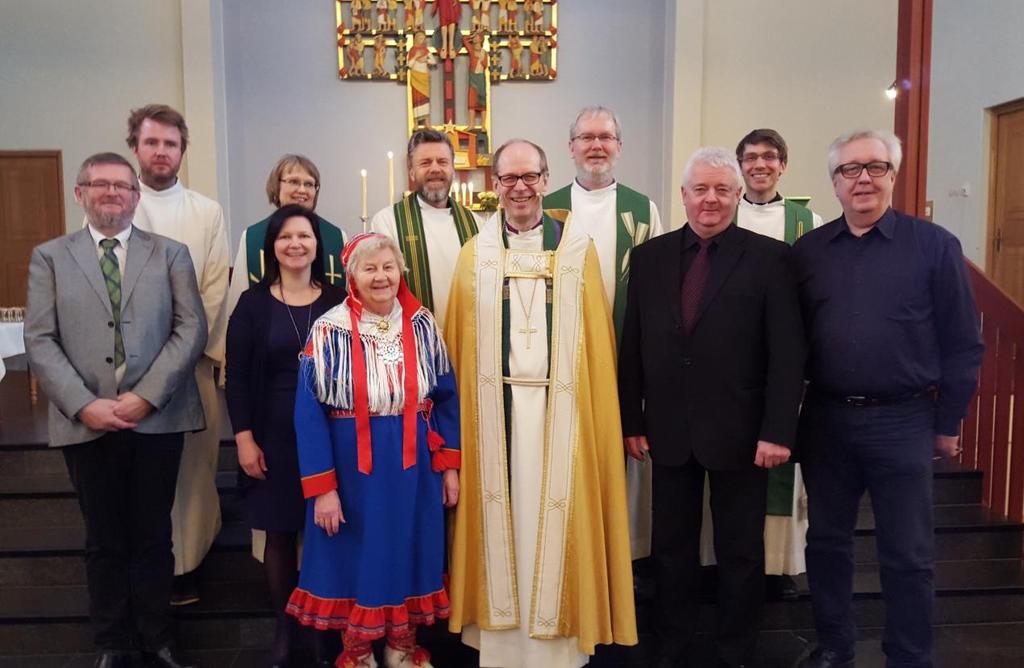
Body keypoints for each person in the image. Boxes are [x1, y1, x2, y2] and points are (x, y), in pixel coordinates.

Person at [792, 129, 983, 668]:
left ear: (893, 176)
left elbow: (964, 342)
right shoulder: (809, 252)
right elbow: (790, 343)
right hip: (827, 420)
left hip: (904, 419)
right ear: (834, 183)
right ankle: (835, 646)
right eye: (850, 170)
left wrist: (948, 423)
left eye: (875, 167)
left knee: (909, 555)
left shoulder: (935, 246)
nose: (863, 179)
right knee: (826, 545)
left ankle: (909, 655)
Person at [446, 139, 637, 668]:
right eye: (508, 179)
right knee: (503, 523)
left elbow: (597, 350)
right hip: (495, 420)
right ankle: (502, 641)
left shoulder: (577, 252)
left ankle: (561, 640)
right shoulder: (475, 255)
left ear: (546, 178)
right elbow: (458, 353)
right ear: (496, 187)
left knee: (556, 521)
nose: (520, 188)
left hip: (565, 422)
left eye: (530, 176)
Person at [617, 147, 806, 667]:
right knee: (671, 550)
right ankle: (672, 643)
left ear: (738, 195)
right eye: (700, 189)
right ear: (683, 196)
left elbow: (787, 353)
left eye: (722, 189)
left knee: (740, 551)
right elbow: (632, 345)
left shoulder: (770, 258)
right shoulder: (651, 258)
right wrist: (631, 419)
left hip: (743, 432)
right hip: (667, 430)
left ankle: (736, 649)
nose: (710, 199)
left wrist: (777, 430)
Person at [25, 152, 207, 668]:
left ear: (136, 195)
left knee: (153, 534)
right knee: (103, 538)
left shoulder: (171, 254)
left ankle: (158, 635)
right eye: (99, 184)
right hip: (86, 422)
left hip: (158, 417)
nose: (112, 193)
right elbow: (40, 338)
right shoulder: (50, 258)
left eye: (122, 186)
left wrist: (146, 395)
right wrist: (84, 405)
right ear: (79, 193)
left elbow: (189, 328)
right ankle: (113, 642)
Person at [285, 233, 461, 668]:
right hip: (350, 469)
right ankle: (358, 653)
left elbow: (447, 400)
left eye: (387, 266)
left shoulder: (423, 325)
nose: (381, 276)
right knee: (355, 555)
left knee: (408, 547)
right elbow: (308, 415)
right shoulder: (329, 329)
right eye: (370, 268)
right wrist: (323, 488)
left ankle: (402, 646)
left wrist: (450, 467)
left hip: (415, 466)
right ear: (352, 277)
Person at [700, 128, 824, 596]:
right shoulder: (720, 211)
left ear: (783, 165)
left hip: (778, 359)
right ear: (738, 168)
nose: (760, 165)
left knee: (775, 465)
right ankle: (717, 561)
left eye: (769, 157)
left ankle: (779, 566)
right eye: (750, 157)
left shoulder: (805, 220)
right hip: (724, 367)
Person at [225, 205, 346, 668]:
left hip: (330, 433)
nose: (296, 244)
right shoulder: (253, 304)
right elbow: (235, 376)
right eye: (285, 237)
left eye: (305, 236)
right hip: (272, 434)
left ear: (318, 245)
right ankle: (284, 628)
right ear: (271, 246)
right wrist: (243, 438)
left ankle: (322, 628)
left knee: (325, 532)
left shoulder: (337, 300)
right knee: (279, 534)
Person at [544, 106, 665, 559]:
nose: (597, 146)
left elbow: (655, 288)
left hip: (624, 353)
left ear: (619, 146)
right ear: (571, 146)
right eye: (587, 137)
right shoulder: (548, 205)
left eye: (606, 137)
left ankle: (623, 553)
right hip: (562, 354)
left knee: (623, 452)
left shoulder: (641, 207)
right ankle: (569, 548)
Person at [126, 104, 230, 606]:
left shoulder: (206, 212)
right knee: (138, 473)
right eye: (152, 143)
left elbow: (213, 289)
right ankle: (146, 565)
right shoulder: (118, 204)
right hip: (127, 372)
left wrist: (181, 354)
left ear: (182, 151)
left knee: (193, 470)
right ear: (136, 148)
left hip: (191, 366)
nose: (161, 152)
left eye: (170, 144)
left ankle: (187, 563)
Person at [369, 129, 479, 330]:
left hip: (467, 342)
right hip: (412, 344)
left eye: (442, 162)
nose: (435, 169)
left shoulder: (476, 223)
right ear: (411, 172)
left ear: (453, 169)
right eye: (425, 163)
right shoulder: (388, 221)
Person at [227, 154, 347, 319]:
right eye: (293, 182)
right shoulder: (252, 237)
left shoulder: (338, 237)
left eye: (309, 184)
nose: (302, 190)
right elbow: (236, 303)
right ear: (276, 186)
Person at [407, 30, 436, 126]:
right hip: (416, 78)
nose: (422, 40)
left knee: (425, 100)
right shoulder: (412, 50)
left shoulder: (425, 50)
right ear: (416, 39)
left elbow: (433, 61)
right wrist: (416, 57)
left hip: (424, 78)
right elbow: (410, 65)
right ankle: (415, 122)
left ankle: (427, 122)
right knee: (416, 100)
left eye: (423, 38)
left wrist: (425, 59)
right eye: (420, 38)